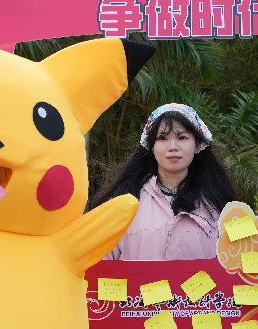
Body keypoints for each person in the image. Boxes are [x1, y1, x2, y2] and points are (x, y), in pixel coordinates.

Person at [93, 103, 237, 260]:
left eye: (182, 137)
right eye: (162, 138)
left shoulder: (221, 204)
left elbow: (241, 259)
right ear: (151, 146)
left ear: (197, 144)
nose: (173, 147)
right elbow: (98, 263)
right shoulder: (124, 202)